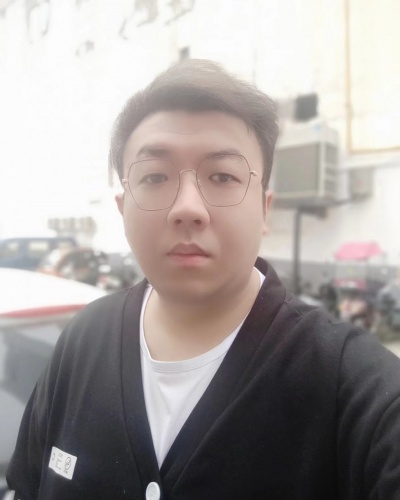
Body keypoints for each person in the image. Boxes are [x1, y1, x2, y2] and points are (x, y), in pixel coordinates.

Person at [7, 59, 400, 500]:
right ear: (122, 208)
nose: (188, 207)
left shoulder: (357, 389)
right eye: (155, 176)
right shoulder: (82, 342)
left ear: (265, 208)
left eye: (223, 176)